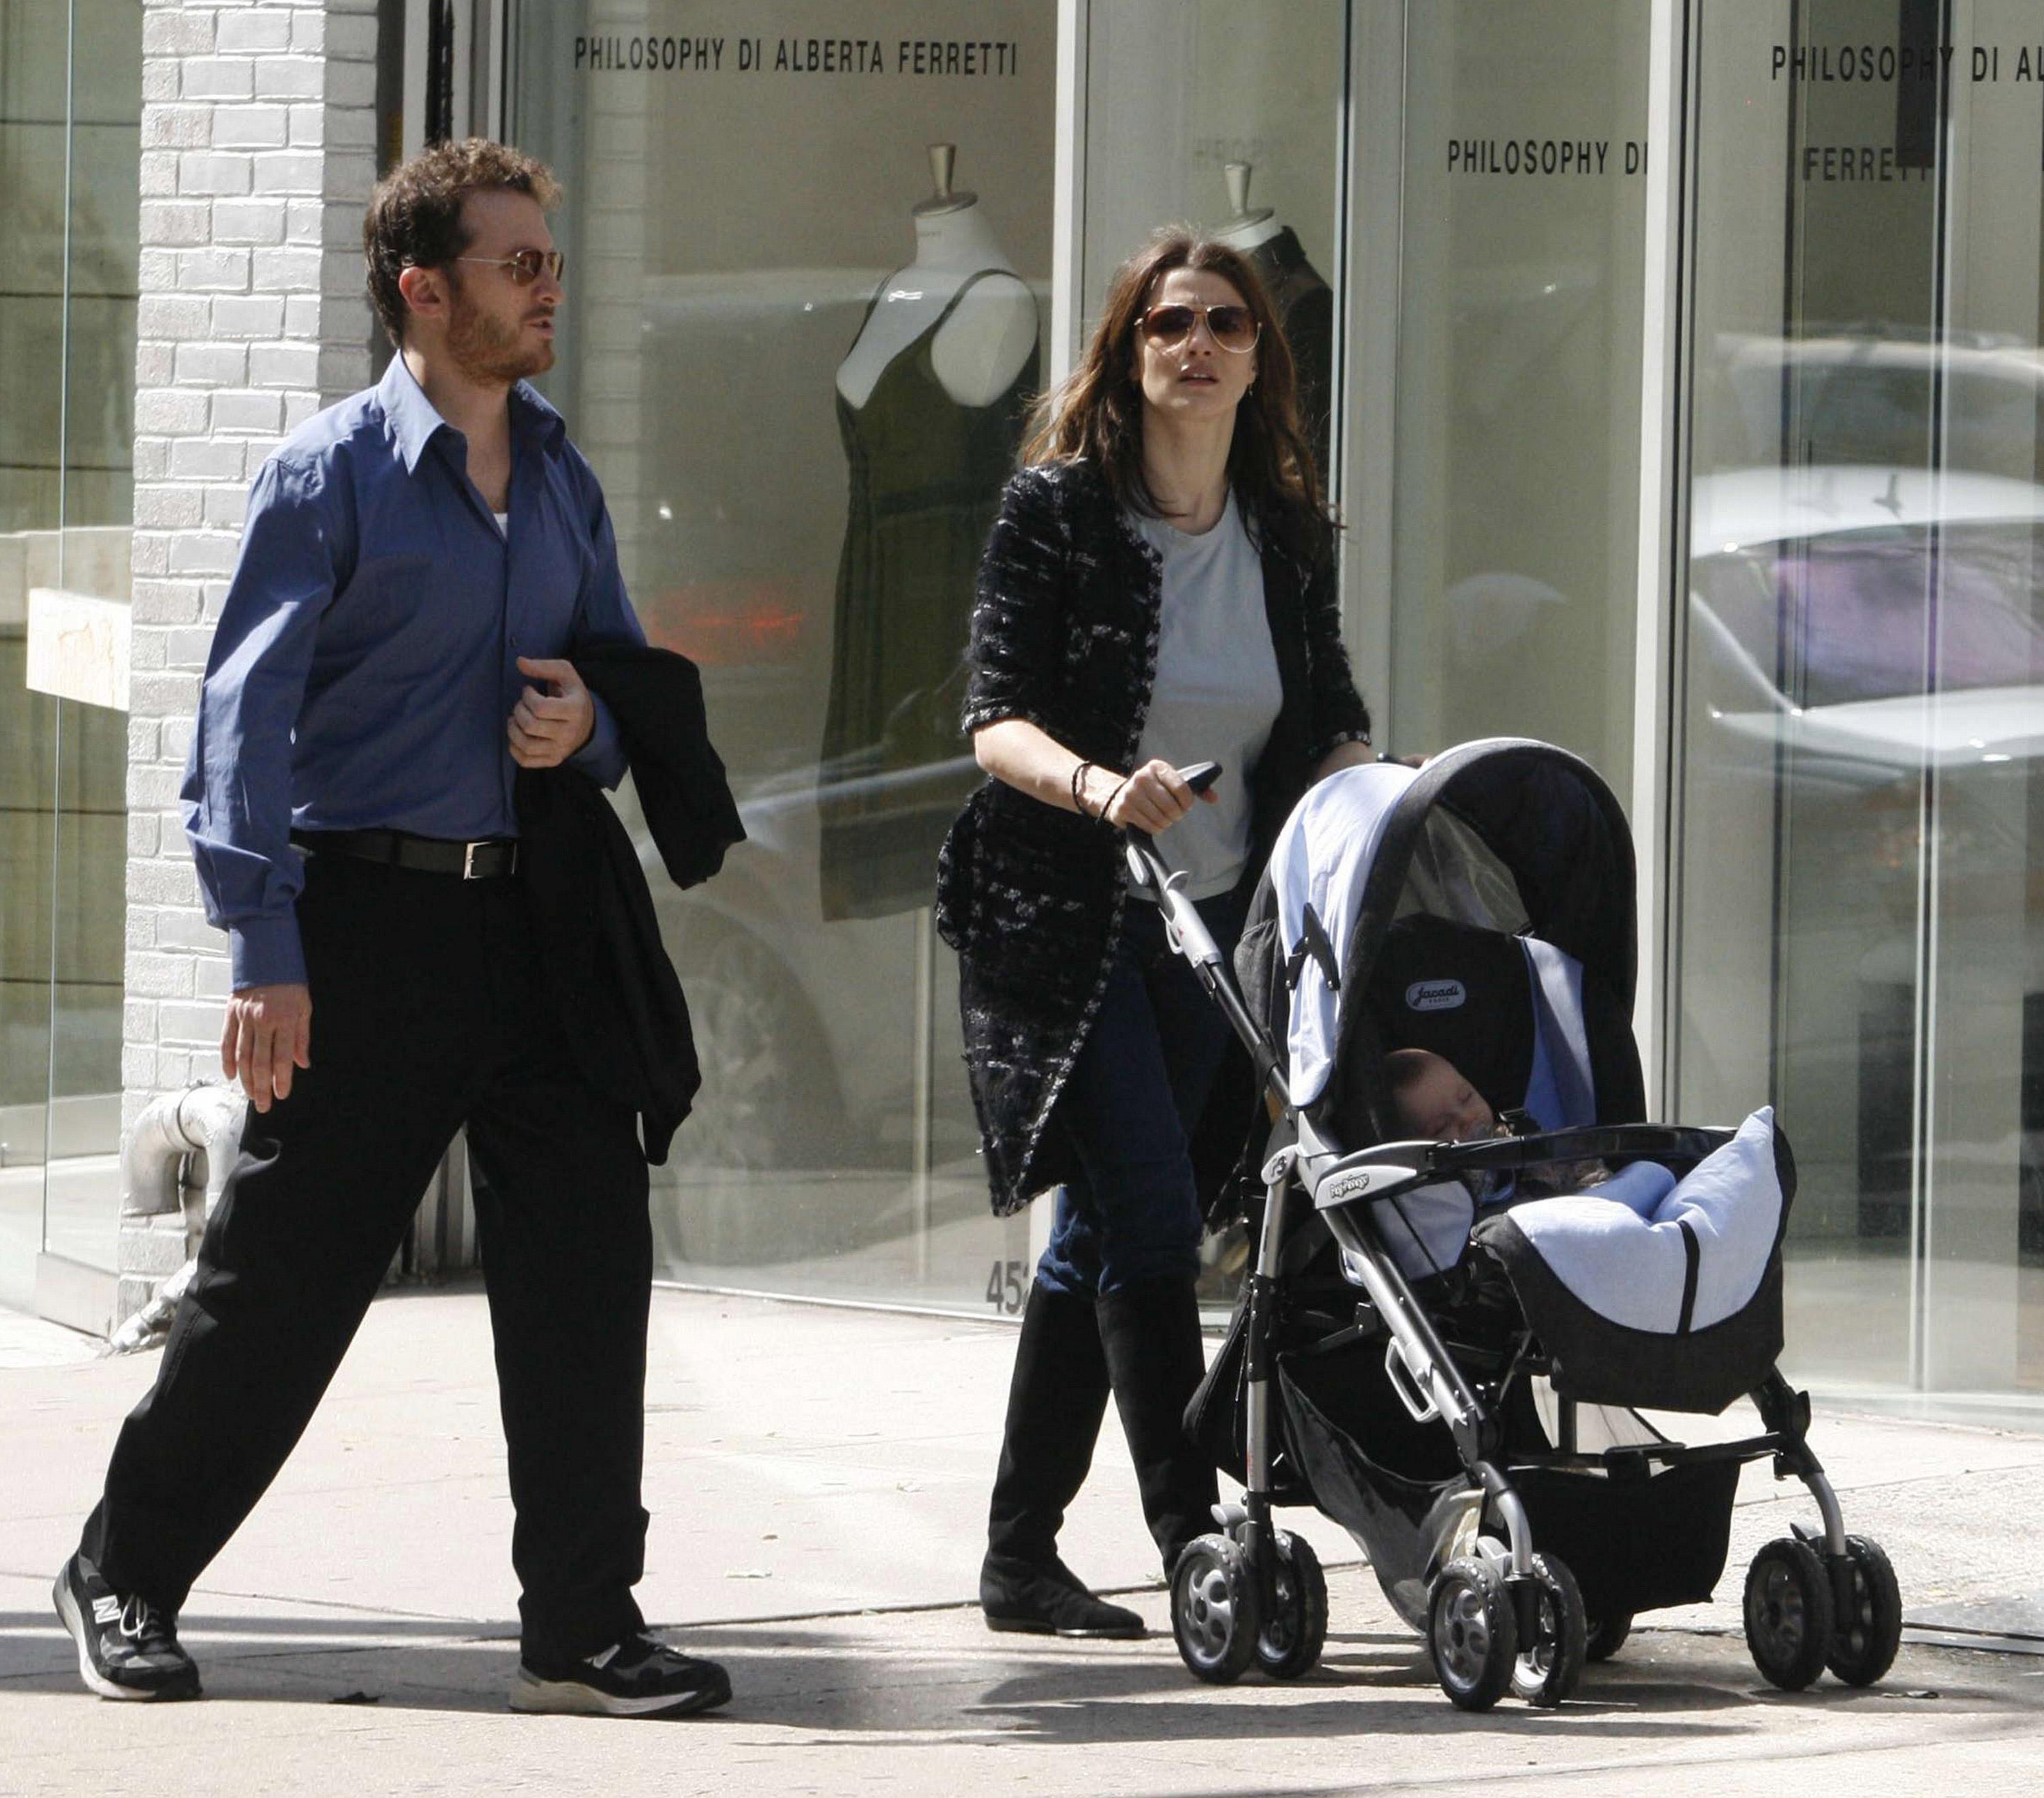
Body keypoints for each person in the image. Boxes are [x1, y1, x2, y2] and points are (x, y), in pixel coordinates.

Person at [52, 139, 731, 1719]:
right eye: (518, 264)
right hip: (363, 923)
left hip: (541, 923)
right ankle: (126, 1571)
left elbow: (620, 675)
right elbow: (242, 721)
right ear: (424, 290)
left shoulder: (561, 470)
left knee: (583, 1266)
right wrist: (261, 946)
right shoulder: (331, 472)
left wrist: (596, 735)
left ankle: (580, 1624)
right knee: (285, 1278)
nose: (547, 284)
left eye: (550, 260)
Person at [935, 227, 1376, 1637]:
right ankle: (1198, 1534)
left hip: (1223, 925)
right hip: (1081, 915)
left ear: (1262, 357)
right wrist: (1097, 788)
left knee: (1104, 1231)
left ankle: (1018, 1556)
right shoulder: (1059, 516)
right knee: (1154, 1218)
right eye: (1169, 323)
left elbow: (1324, 716)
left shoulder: (1287, 535)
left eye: (1227, 324)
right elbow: (993, 720)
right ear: (1128, 353)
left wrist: (1366, 781)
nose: (1199, 345)